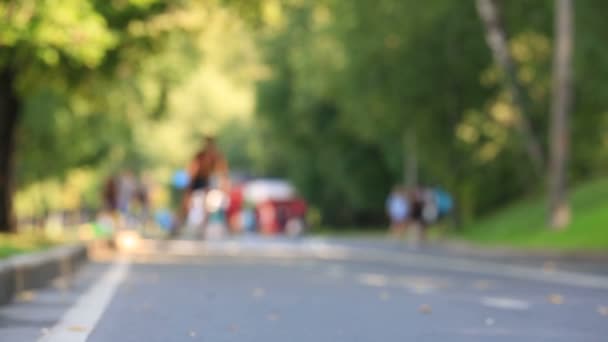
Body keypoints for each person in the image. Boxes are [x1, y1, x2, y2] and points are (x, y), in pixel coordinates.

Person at [171, 136, 229, 238]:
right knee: (186, 205)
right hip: (197, 182)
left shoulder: (216, 156)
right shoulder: (200, 156)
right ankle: (176, 227)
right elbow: (192, 170)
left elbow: (222, 172)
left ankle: (203, 229)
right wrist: (189, 186)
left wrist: (223, 186)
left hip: (207, 182)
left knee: (207, 206)